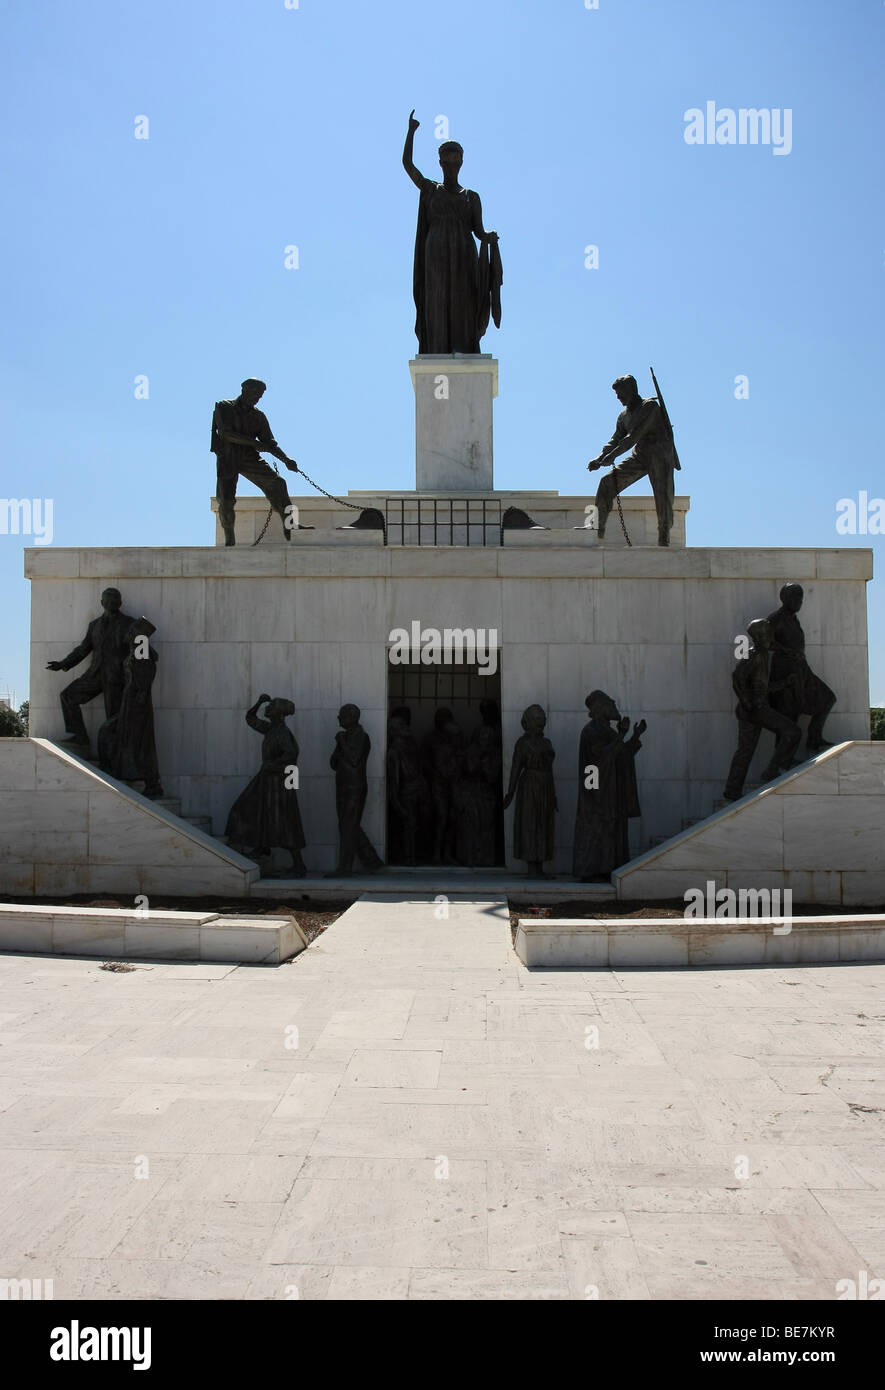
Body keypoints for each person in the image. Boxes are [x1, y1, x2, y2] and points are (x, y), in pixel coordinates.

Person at [402, 111, 502, 354]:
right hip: (435, 253)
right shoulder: (430, 189)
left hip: (463, 254)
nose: (451, 166)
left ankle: (463, 347)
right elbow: (408, 165)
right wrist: (411, 132)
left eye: (455, 162)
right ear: (440, 164)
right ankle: (437, 348)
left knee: (462, 301)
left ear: (461, 163)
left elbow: (478, 230)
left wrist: (489, 236)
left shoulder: (471, 197)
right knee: (436, 299)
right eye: (446, 162)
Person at [587, 374, 679, 546]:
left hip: (660, 454)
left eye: (621, 393)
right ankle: (597, 530)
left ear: (632, 390)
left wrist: (611, 456)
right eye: (616, 395)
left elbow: (632, 437)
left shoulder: (650, 406)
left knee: (663, 496)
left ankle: (663, 537)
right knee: (607, 483)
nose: (618, 398)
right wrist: (599, 459)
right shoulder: (623, 416)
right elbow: (615, 439)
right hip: (641, 455)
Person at [210, 379, 299, 546]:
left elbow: (270, 442)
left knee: (278, 484)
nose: (256, 398)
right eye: (254, 393)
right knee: (226, 499)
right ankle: (229, 539)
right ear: (244, 389)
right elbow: (226, 433)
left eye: (259, 395)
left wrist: (286, 459)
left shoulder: (258, 416)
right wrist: (254, 443)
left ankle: (291, 526)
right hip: (228, 456)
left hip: (249, 457)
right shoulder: (224, 406)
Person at [46, 587, 136, 751]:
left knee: (113, 717)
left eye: (114, 599)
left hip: (116, 677)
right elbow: (83, 649)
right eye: (107, 599)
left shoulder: (129, 623)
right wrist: (63, 663)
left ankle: (113, 756)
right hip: (94, 674)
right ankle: (80, 737)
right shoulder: (94, 625)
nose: (111, 602)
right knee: (68, 696)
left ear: (120, 602)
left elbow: (138, 650)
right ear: (102, 603)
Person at [225, 695, 307, 875]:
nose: (266, 710)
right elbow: (250, 719)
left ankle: (298, 864)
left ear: (277, 713)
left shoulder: (281, 732)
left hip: (277, 782)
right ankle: (262, 846)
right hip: (267, 779)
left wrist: (272, 765)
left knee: (283, 821)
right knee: (254, 810)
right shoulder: (271, 729)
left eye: (270, 707)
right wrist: (259, 702)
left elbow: (291, 754)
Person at [723, 620, 802, 801]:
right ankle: (772, 770)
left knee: (745, 751)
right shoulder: (755, 655)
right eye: (768, 633)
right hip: (755, 709)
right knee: (792, 732)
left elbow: (763, 687)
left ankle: (732, 790)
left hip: (752, 709)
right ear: (761, 636)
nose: (771, 636)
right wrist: (747, 702)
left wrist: (785, 683)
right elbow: (737, 677)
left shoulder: (763, 655)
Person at [573, 691, 645, 881]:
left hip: (612, 790)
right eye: (611, 705)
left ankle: (610, 868)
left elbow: (621, 756)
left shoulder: (609, 732)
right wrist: (621, 735)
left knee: (612, 829)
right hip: (598, 792)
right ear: (601, 708)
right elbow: (600, 759)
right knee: (598, 828)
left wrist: (634, 737)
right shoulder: (590, 731)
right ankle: (592, 871)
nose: (615, 709)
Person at [97, 617, 163, 799]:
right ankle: (125, 773)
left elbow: (143, 674)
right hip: (131, 702)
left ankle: (151, 782)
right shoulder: (137, 650)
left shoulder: (141, 650)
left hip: (135, 704)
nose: (129, 633)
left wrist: (140, 694)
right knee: (123, 738)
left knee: (140, 743)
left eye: (132, 631)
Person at [766, 583, 836, 755]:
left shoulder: (792, 618)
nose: (800, 602)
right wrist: (786, 651)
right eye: (797, 597)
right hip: (785, 671)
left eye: (801, 598)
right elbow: (763, 640)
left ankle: (814, 738)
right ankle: (781, 762)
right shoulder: (777, 618)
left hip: (802, 670)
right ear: (786, 599)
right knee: (788, 714)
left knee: (827, 698)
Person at [503, 705, 556, 876]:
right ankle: (531, 866)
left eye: (542, 717)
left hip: (545, 785)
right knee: (530, 823)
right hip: (530, 787)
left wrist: (553, 794)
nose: (542, 720)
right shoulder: (523, 743)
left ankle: (539, 865)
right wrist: (510, 792)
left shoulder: (547, 742)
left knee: (544, 824)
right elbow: (515, 768)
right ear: (529, 721)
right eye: (537, 717)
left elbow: (550, 770)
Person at [329, 704, 382, 875]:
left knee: (348, 826)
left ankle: (345, 867)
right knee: (347, 826)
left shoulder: (362, 737)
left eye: (341, 716)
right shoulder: (344, 737)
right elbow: (333, 764)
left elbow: (354, 759)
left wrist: (341, 741)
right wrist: (340, 745)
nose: (338, 718)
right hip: (343, 786)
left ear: (352, 717)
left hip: (354, 787)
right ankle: (372, 861)